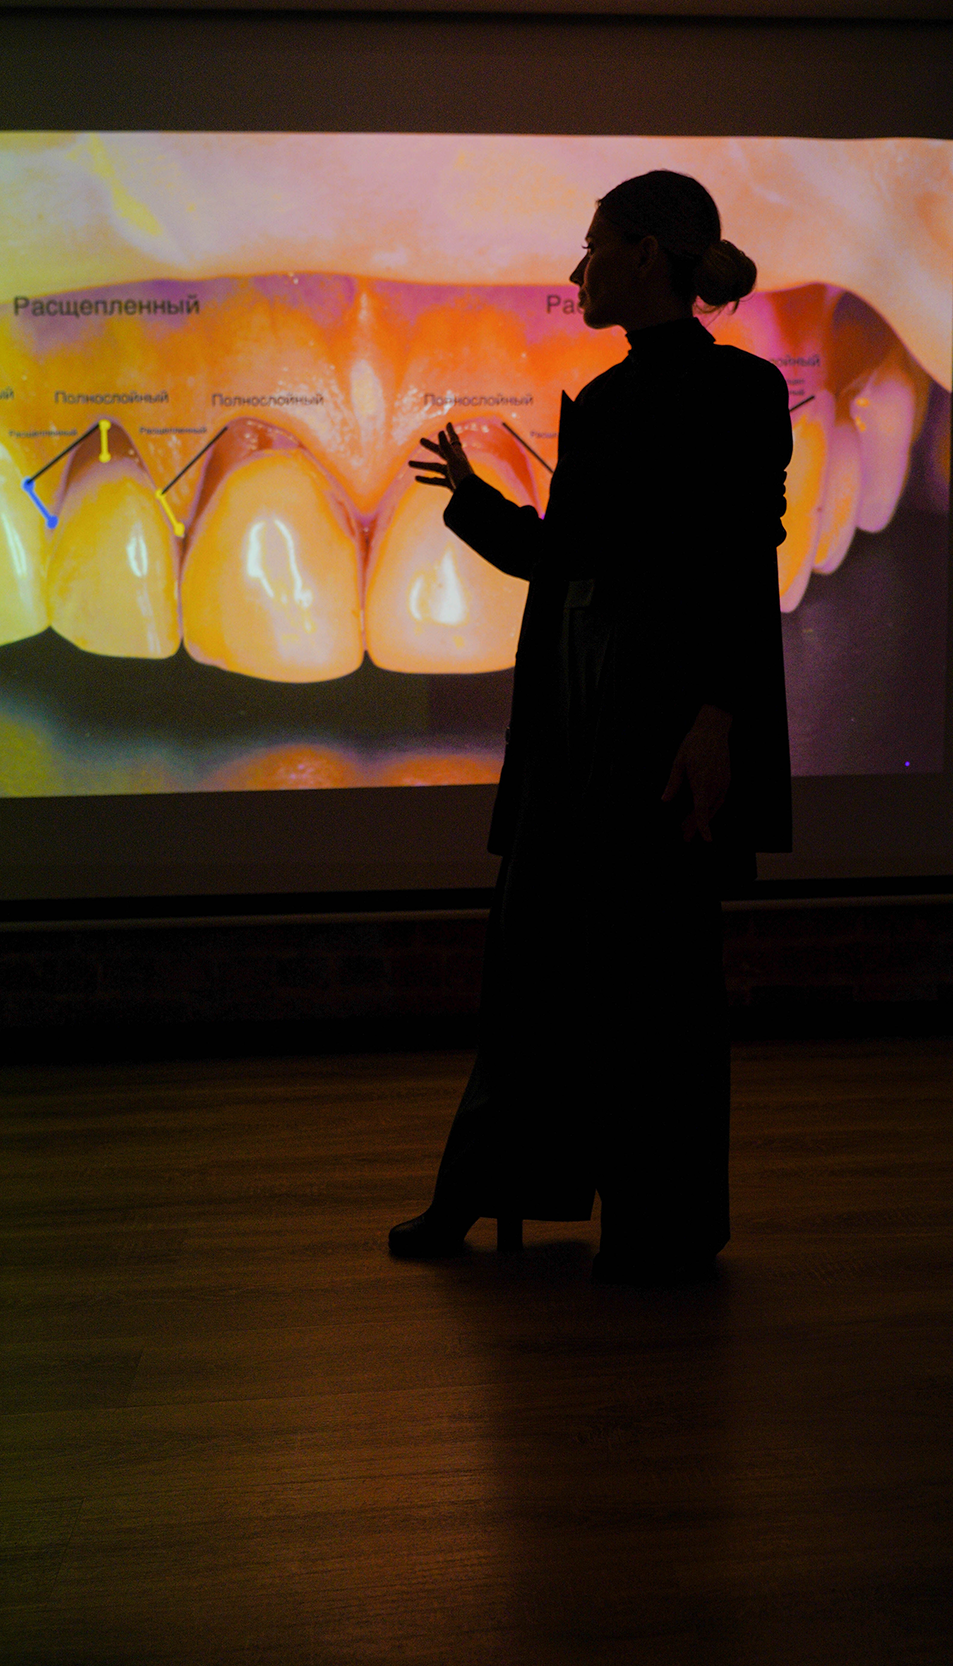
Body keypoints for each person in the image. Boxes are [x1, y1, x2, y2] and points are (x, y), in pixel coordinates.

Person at [388, 169, 793, 1285]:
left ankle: (658, 1226)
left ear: (648, 254)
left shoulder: (742, 390)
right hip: (576, 719)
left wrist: (716, 721)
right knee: (537, 967)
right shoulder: (608, 401)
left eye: (595, 244)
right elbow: (564, 560)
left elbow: (738, 568)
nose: (579, 270)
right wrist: (471, 499)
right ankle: (492, 1192)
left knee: (656, 982)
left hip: (661, 728)